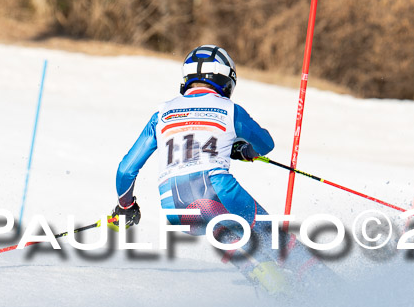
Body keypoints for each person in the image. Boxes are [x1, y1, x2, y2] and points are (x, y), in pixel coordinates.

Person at [111, 45, 332, 292]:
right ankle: (330, 287)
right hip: (216, 189)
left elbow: (126, 170)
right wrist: (244, 151)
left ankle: (273, 287)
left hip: (173, 206)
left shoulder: (161, 114)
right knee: (272, 238)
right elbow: (265, 144)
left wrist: (126, 207)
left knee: (223, 230)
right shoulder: (230, 110)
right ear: (227, 79)